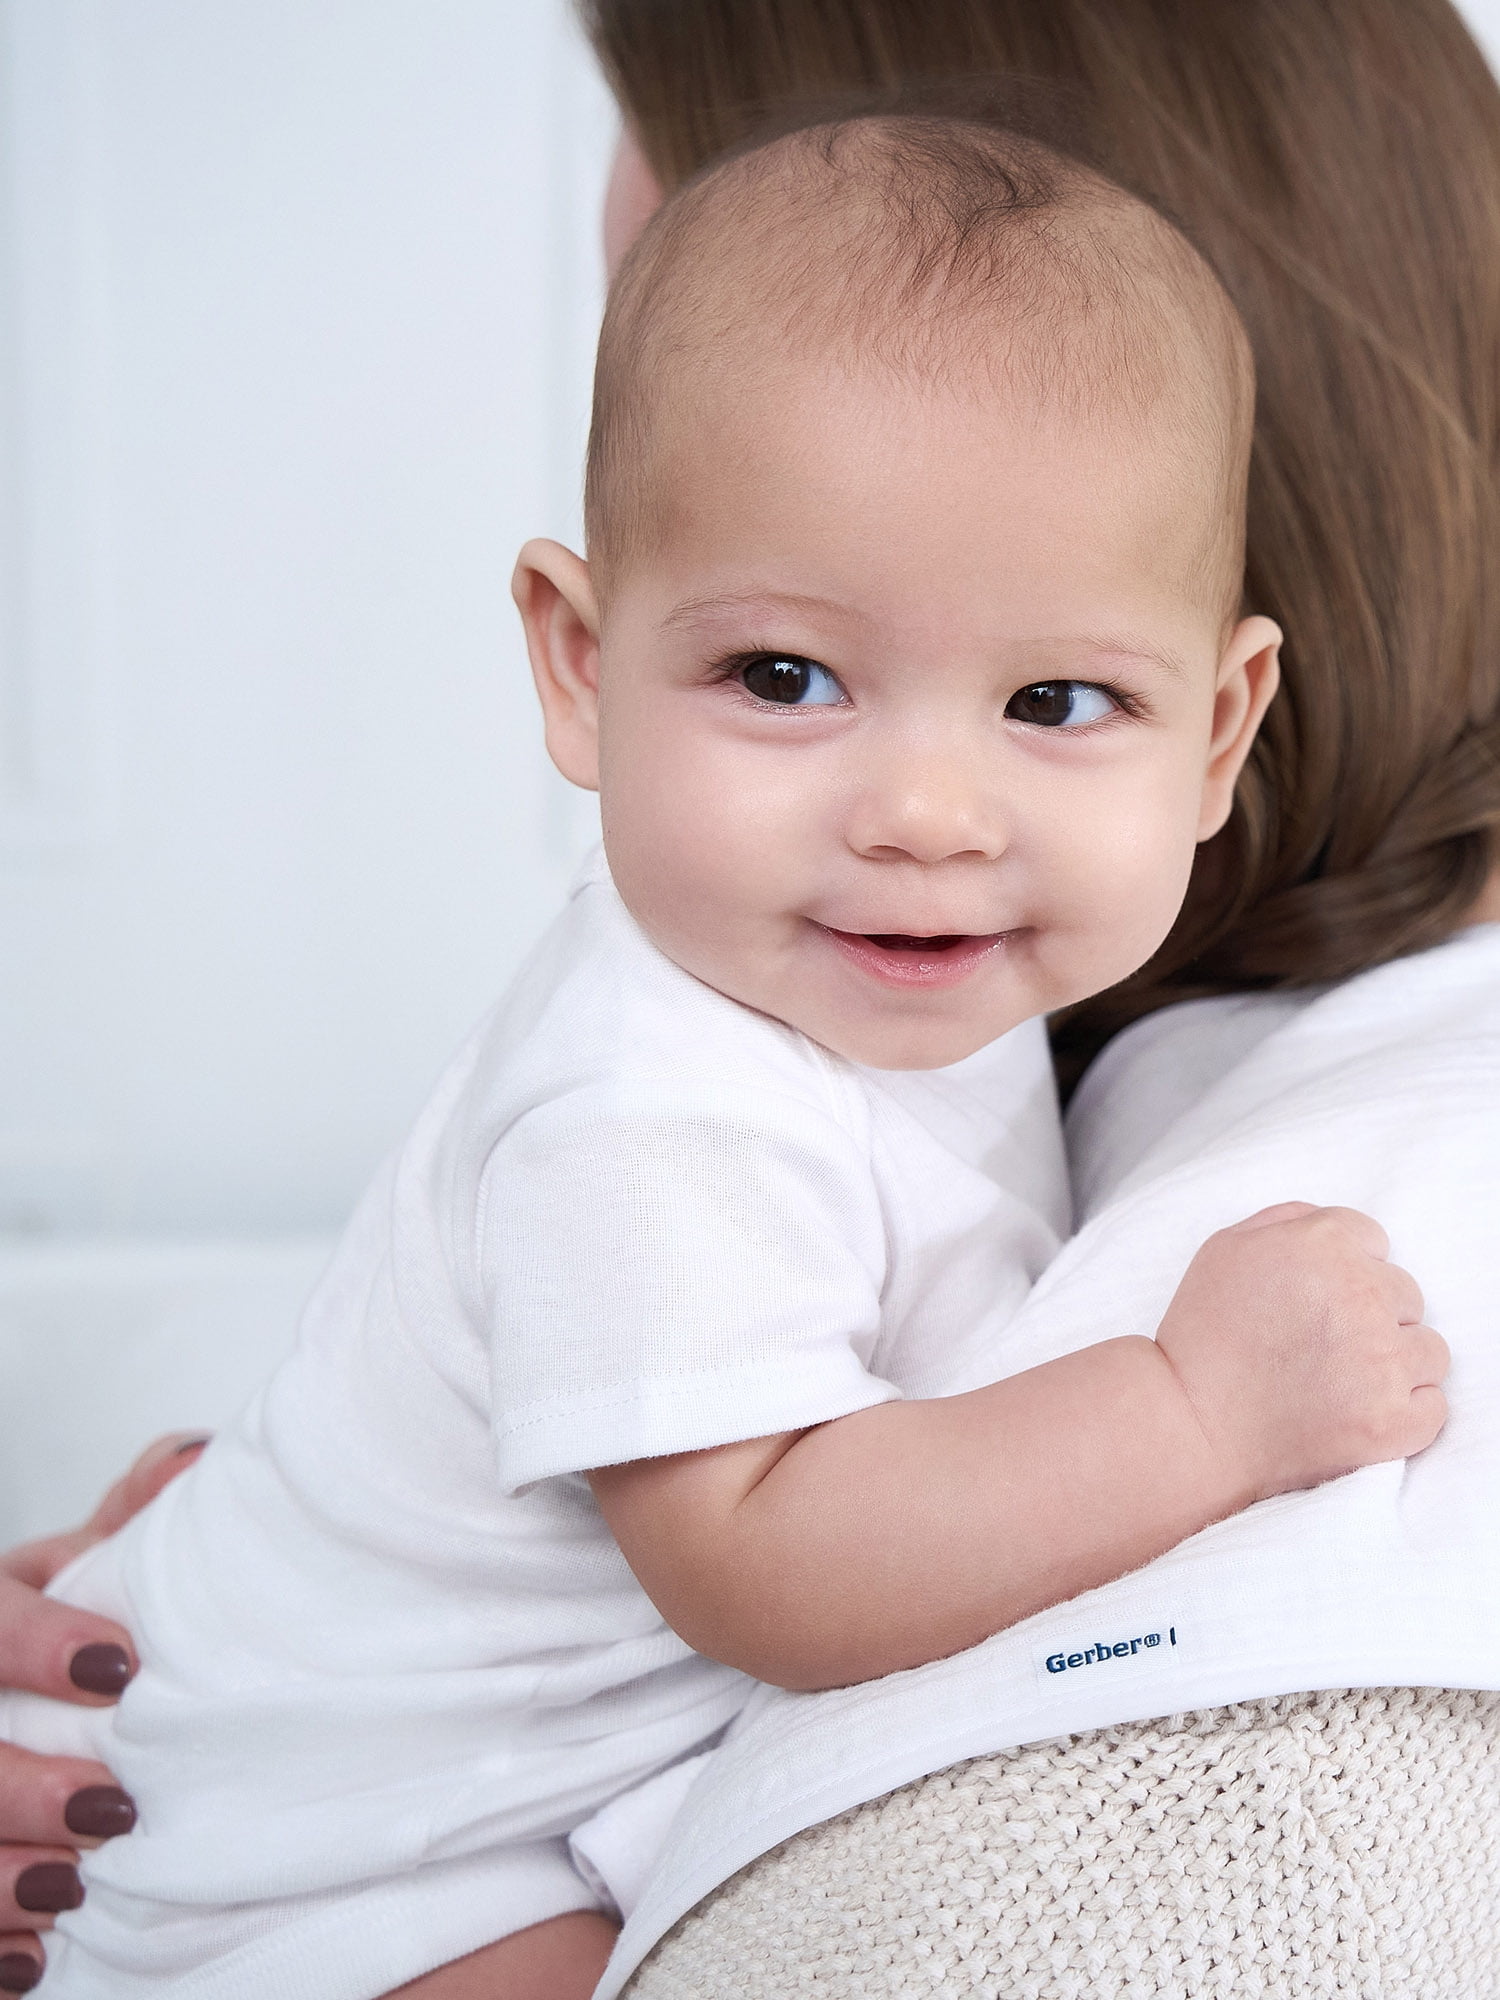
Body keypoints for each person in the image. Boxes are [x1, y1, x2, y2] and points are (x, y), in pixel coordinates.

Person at [1, 0, 1495, 1990]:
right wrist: (1192, 1405)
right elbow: (772, 1553)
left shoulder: (937, 987)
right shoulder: (651, 1093)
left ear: (1223, 727)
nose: (924, 813)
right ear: (573, 657)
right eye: (785, 676)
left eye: (1058, 701)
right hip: (336, 1855)